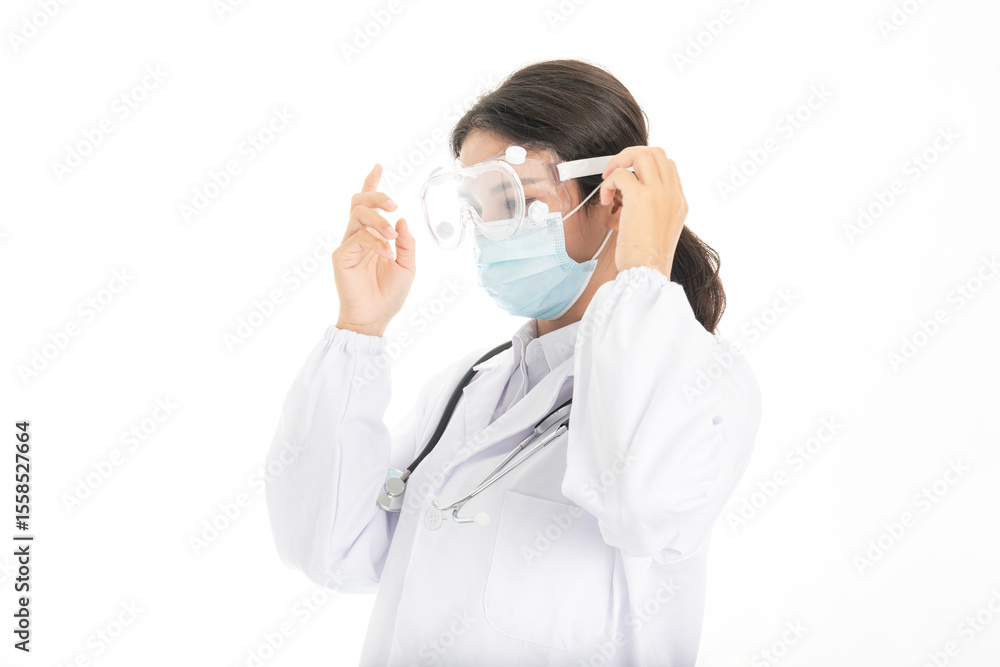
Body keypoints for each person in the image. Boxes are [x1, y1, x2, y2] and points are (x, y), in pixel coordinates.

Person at [264, 58, 762, 666]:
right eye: (477, 208)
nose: (489, 232)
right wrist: (358, 331)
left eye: (513, 200)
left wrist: (644, 270)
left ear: (614, 200)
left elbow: (641, 503)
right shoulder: (467, 387)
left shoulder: (703, 377)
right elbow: (330, 551)